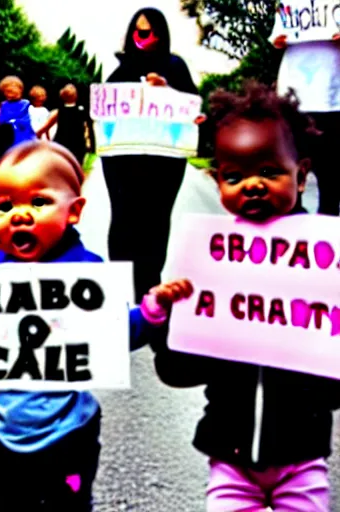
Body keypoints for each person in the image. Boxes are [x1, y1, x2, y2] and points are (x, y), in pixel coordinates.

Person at [0, 140, 164, 512]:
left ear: (74, 212)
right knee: (4, 502)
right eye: (4, 206)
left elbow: (116, 335)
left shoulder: (87, 274)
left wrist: (153, 312)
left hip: (70, 434)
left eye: (38, 202)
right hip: (1, 431)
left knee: (68, 506)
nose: (19, 215)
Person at [142, 81, 339, 512]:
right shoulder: (206, 265)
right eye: (235, 176)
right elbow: (177, 371)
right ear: (216, 182)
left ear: (302, 175)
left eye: (270, 172)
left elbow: (334, 390)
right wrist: (164, 318)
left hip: (303, 458)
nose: (252, 185)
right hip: (229, 459)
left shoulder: (327, 266)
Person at [100, 7, 199, 304]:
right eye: (141, 31)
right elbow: (104, 109)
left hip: (164, 162)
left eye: (153, 31)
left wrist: (167, 90)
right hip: (123, 161)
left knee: (156, 219)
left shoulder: (175, 65)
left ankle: (149, 286)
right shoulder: (121, 69)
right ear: (132, 33)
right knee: (122, 218)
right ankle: (122, 284)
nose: (148, 37)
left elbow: (192, 103)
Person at [271, 16, 340, 216]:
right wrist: (281, 39)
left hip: (331, 98)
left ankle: (327, 232)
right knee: (289, 167)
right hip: (294, 96)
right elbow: (277, 39)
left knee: (329, 174)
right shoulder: (291, 3)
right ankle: (294, 230)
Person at [36, 84, 93, 165]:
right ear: (76, 96)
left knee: (62, 165)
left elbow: (46, 127)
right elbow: (88, 127)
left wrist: (38, 135)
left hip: (62, 144)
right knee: (77, 165)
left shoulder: (59, 112)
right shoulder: (81, 111)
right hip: (78, 144)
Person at [0, 76, 36, 153]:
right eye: (5, 92)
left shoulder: (26, 104)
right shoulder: (2, 105)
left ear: (20, 90)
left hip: (26, 137)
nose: (7, 94)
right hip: (7, 139)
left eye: (10, 91)